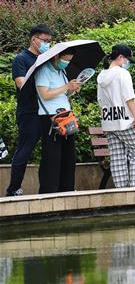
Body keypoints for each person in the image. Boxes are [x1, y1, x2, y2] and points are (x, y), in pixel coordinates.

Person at [6, 25, 53, 196]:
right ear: (34, 39)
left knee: (50, 152)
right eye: (45, 41)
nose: (47, 44)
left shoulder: (47, 60)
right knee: (25, 149)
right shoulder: (21, 59)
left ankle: (49, 188)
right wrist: (41, 84)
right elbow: (20, 83)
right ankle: (13, 189)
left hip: (47, 111)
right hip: (29, 112)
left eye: (50, 41)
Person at [97, 44, 135, 188]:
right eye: (127, 59)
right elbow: (129, 97)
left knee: (117, 157)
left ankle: (122, 191)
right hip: (125, 120)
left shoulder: (102, 75)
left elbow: (100, 100)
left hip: (109, 122)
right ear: (120, 57)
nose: (127, 63)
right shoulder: (122, 73)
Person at [34, 49, 82, 193]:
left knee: (68, 156)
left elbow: (64, 94)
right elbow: (45, 95)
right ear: (56, 57)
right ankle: (49, 190)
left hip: (66, 116)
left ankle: (67, 188)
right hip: (50, 118)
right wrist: (66, 86)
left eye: (69, 60)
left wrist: (72, 89)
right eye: (65, 60)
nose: (66, 63)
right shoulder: (43, 71)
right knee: (52, 157)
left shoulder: (62, 72)